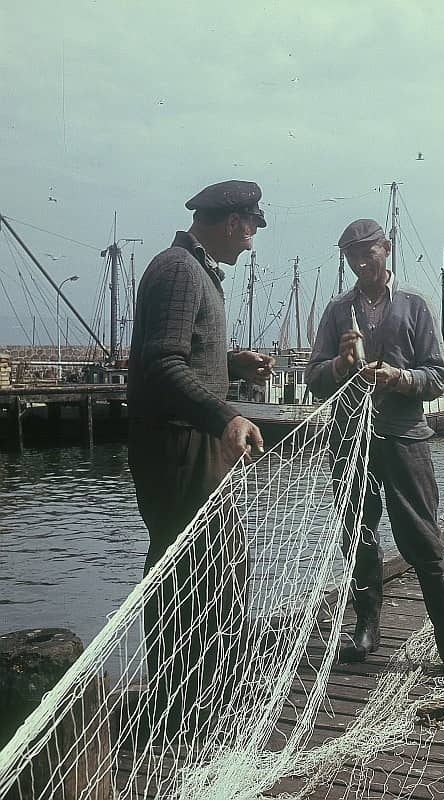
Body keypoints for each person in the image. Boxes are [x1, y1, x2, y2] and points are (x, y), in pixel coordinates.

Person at [127, 179, 274, 732]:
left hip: (193, 440)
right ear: (233, 221)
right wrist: (227, 415)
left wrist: (228, 363)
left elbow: (181, 353)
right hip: (180, 443)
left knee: (216, 571)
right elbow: (162, 364)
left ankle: (207, 699)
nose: (252, 241)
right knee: (187, 573)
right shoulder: (179, 270)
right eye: (252, 228)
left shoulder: (194, 270)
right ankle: (177, 709)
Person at [305, 218, 444, 680]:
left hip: (405, 439)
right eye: (352, 257)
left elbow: (438, 377)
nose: (361, 263)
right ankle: (367, 625)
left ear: (387, 248)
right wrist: (341, 364)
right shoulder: (337, 311)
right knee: (357, 533)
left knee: (422, 538)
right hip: (349, 440)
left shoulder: (415, 305)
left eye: (369, 253)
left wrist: (399, 378)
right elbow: (314, 378)